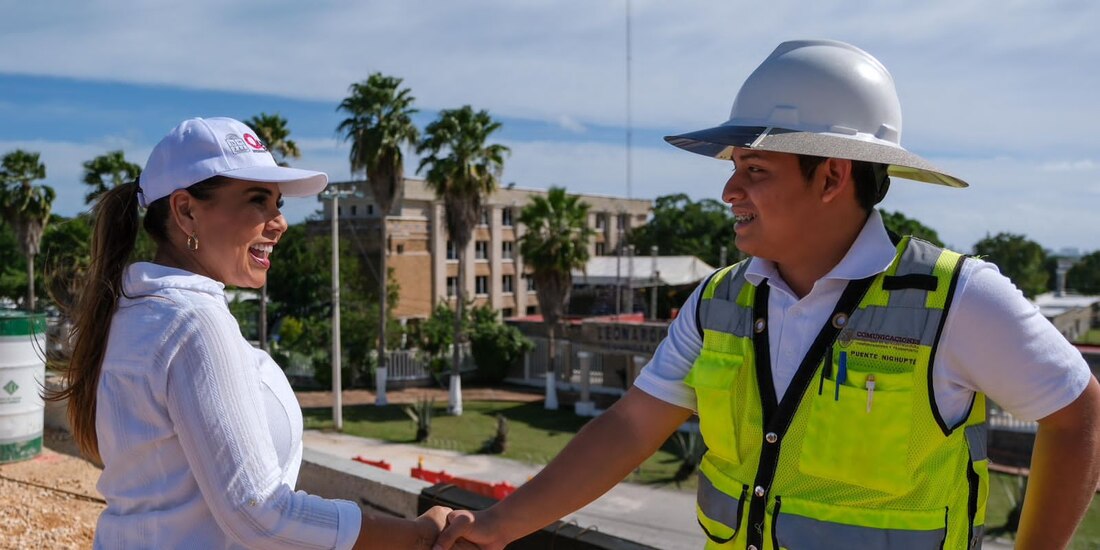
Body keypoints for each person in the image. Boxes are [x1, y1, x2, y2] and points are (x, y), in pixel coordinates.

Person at [433, 40, 1100, 550]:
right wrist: (498, 526)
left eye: (754, 169)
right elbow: (631, 428)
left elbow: (1077, 414)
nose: (729, 192)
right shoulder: (720, 301)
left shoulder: (956, 299)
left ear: (832, 177)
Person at [47, 117, 450, 549]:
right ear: (186, 211)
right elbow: (261, 513)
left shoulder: (138, 309)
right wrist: (418, 535)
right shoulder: (193, 320)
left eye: (278, 203)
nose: (281, 223)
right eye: (258, 200)